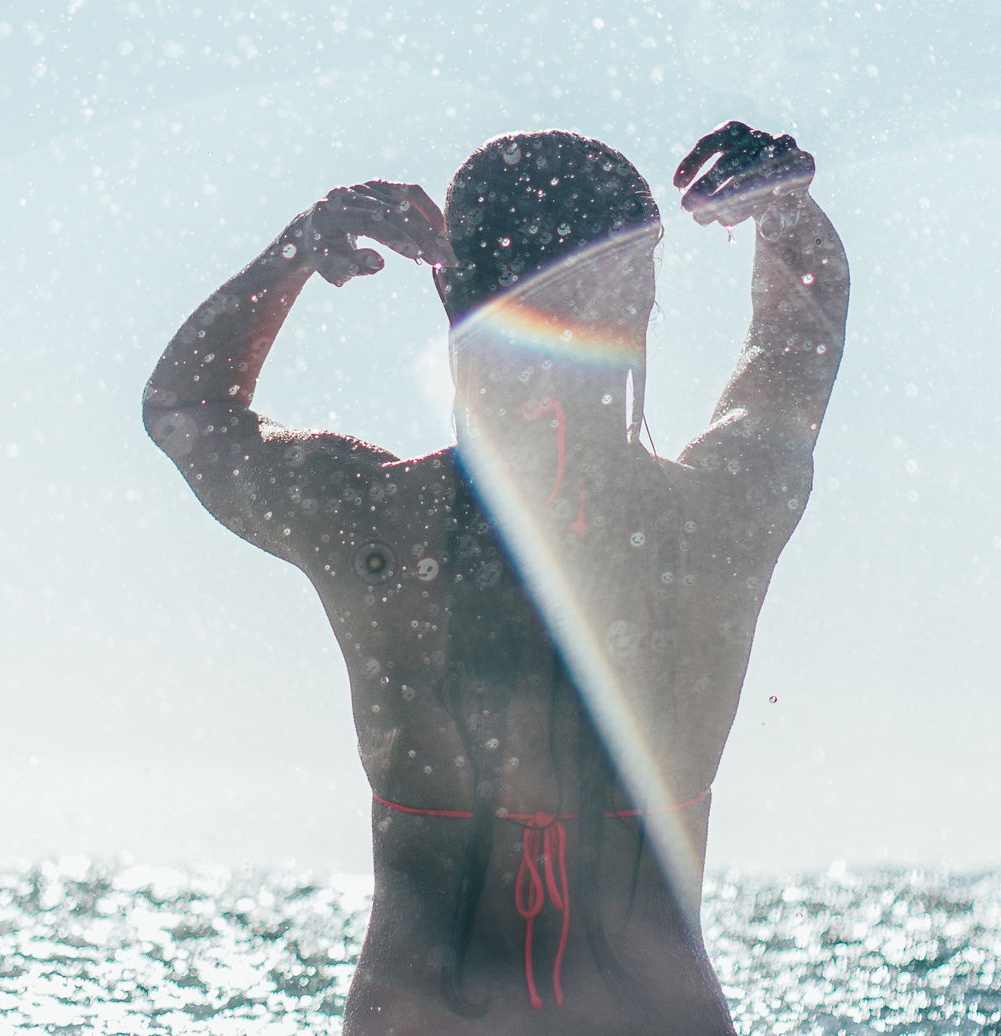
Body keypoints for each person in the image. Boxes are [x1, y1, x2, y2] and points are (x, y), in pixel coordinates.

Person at [143, 121, 848, 1035]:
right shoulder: (714, 524)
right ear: (641, 294)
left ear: (446, 283)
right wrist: (785, 214)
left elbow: (187, 408)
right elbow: (797, 345)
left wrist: (295, 253)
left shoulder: (373, 525)